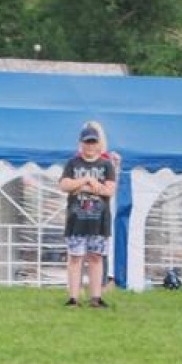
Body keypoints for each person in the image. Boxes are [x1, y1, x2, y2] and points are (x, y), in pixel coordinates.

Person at [58, 124, 117, 308]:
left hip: (99, 220)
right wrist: (87, 180)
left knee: (96, 257)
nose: (90, 146)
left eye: (93, 142)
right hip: (76, 220)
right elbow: (64, 185)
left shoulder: (106, 165)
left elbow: (109, 190)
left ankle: (95, 297)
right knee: (75, 258)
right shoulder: (72, 164)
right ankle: (73, 297)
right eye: (87, 142)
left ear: (98, 144)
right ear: (81, 144)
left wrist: (81, 188)